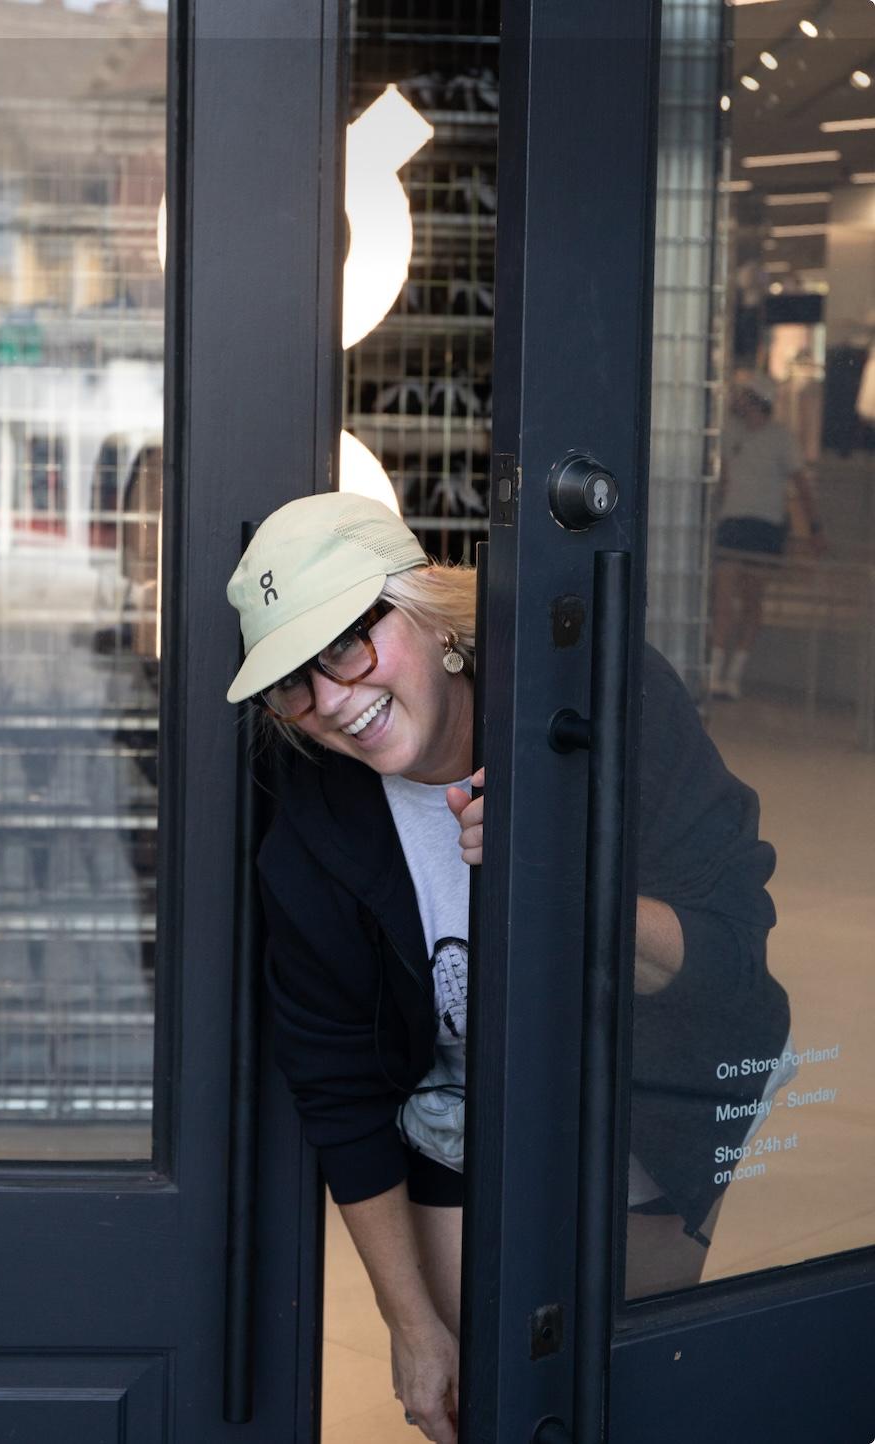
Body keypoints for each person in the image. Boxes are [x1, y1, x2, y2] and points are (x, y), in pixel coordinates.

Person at [225, 492, 789, 1444]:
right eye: (291, 681)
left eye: (349, 643)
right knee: (487, 1398)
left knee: (623, 1391)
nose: (329, 700)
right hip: (457, 1109)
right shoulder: (314, 823)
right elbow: (337, 1086)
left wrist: (567, 874)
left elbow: (729, 961)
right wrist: (408, 1326)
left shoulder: (610, 699)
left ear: (429, 615)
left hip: (642, 1087)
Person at [711, 372, 825, 700]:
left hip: (764, 525)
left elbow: (801, 484)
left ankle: (734, 674)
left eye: (745, 395)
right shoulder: (731, 433)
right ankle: (717, 672)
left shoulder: (781, 438)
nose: (738, 400)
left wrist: (815, 528)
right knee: (723, 598)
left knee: (752, 600)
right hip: (733, 522)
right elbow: (726, 479)